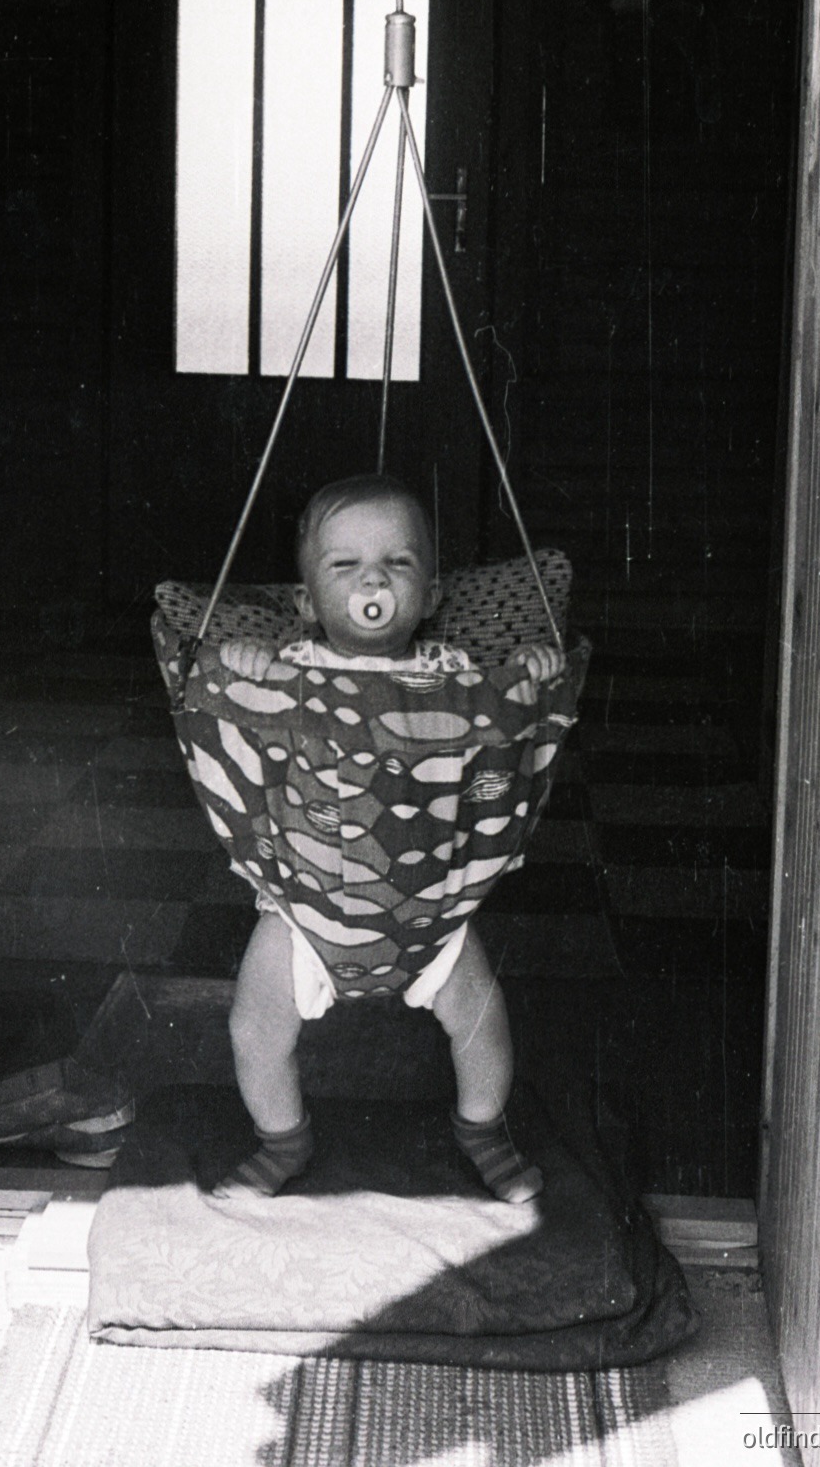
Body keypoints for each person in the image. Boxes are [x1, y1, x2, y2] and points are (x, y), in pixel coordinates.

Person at [209, 474, 564, 1207]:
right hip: (307, 904)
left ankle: (482, 1129)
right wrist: (245, 664)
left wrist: (529, 673)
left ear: (430, 595)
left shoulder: (452, 672)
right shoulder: (293, 668)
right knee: (254, 1025)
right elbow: (242, 710)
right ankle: (283, 1139)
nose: (372, 578)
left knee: (481, 1015)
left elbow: (499, 724)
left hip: (429, 901)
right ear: (307, 603)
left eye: (397, 563)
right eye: (344, 566)